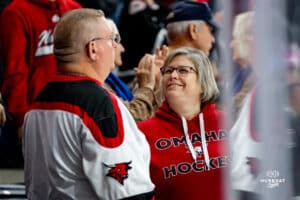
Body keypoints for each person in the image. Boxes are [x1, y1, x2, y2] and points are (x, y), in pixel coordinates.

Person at [23, 8, 154, 199]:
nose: (118, 47)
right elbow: (127, 191)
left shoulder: (38, 103)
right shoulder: (98, 103)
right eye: (113, 40)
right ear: (93, 48)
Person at [138, 47, 228, 200]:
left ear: (202, 80)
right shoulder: (143, 133)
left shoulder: (228, 123)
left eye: (183, 71)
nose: (173, 75)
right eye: (168, 71)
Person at [0, 0, 81, 136]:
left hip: (76, 111)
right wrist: (22, 119)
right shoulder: (15, 12)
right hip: (36, 115)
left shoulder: (74, 8)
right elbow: (15, 72)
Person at [105, 18, 160, 122]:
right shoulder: (98, 86)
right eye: (116, 40)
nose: (122, 49)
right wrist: (146, 87)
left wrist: (155, 81)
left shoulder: (110, 80)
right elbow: (131, 120)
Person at [230, 11, 255, 117]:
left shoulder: (261, 77)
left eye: (235, 38)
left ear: (248, 40)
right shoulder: (240, 74)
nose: (231, 45)